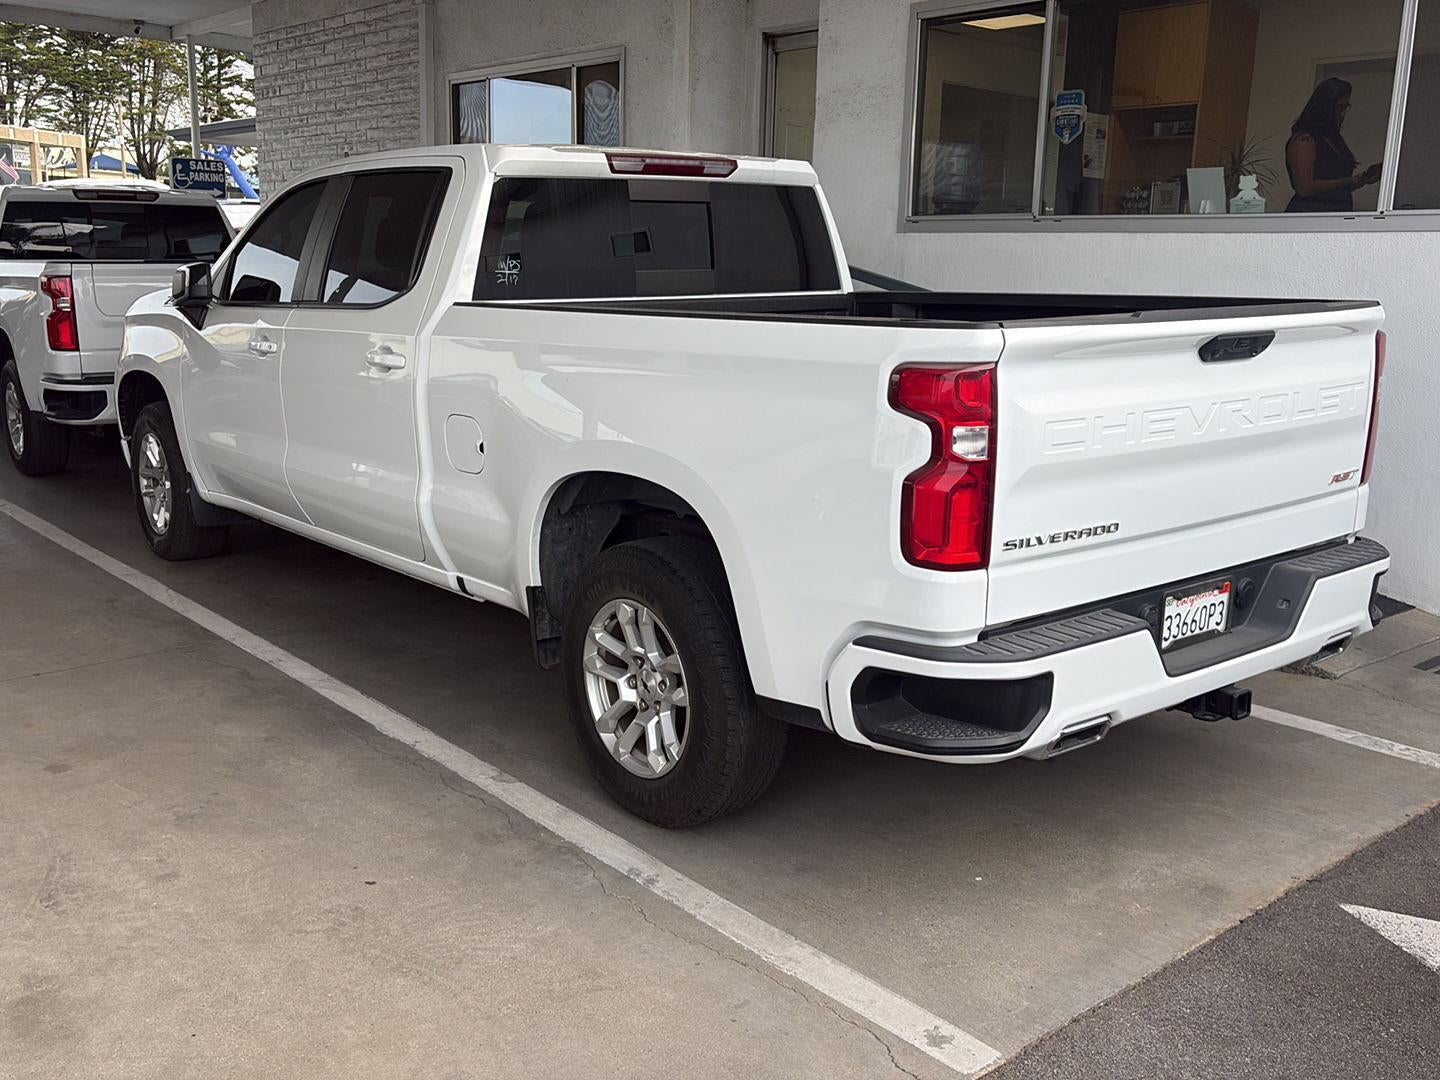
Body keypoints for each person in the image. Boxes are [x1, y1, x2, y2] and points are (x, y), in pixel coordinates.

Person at [1285, 77, 1381, 213]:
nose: (1342, 114)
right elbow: (1304, 188)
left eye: (1345, 108)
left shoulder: (1332, 139)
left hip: (1337, 211)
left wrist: (1361, 180)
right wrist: (1348, 182)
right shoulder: (1304, 140)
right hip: (1310, 213)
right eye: (1338, 108)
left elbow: (1333, 186)